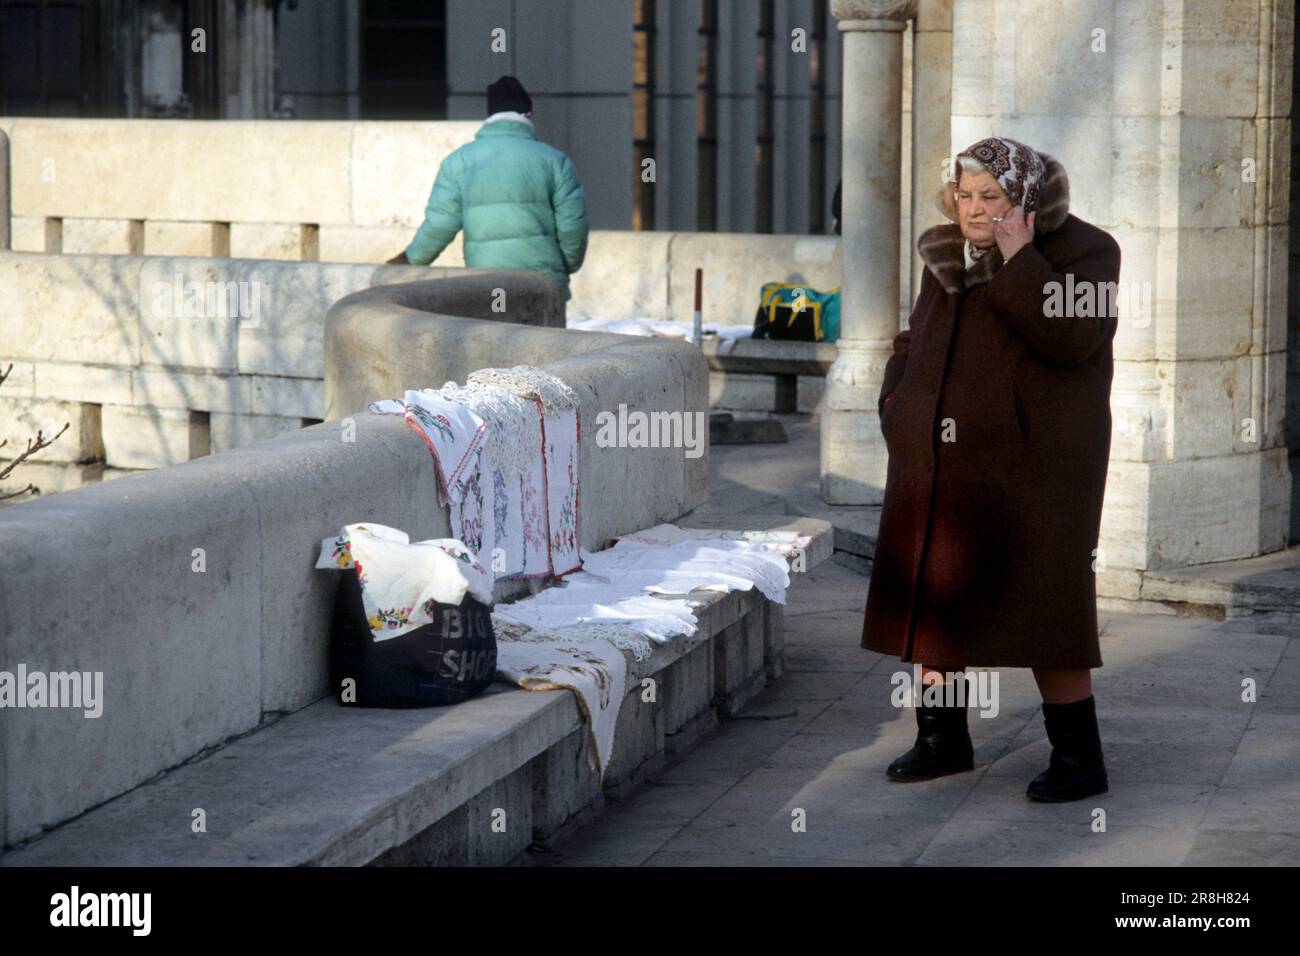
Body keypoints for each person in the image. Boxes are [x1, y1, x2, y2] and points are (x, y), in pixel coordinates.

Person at [863, 137, 1121, 802]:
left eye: (993, 197)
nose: (976, 210)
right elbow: (914, 335)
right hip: (939, 458)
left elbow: (1073, 337)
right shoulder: (944, 250)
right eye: (967, 195)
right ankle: (942, 740)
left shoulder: (1089, 251)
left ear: (1027, 199)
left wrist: (1018, 257)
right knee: (937, 595)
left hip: (1035, 467)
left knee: (1048, 609)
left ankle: (1078, 759)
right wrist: (897, 399)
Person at [388, 75, 589, 301]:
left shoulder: (459, 161)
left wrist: (411, 260)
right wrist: (565, 266)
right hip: (543, 281)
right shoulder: (555, 161)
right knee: (542, 337)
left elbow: (441, 223)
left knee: (494, 335)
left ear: (491, 115)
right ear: (528, 115)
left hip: (486, 283)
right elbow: (573, 224)